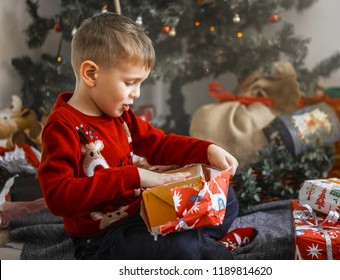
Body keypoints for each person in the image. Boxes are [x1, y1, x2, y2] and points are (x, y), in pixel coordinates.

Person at [38, 12, 244, 260]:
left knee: (227, 198)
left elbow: (159, 143)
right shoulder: (62, 126)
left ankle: (191, 240)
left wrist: (207, 150)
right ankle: (195, 243)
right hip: (103, 239)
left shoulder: (121, 114)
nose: (136, 94)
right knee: (182, 250)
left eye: (140, 83)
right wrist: (135, 176)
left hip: (141, 213)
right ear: (91, 74)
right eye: (129, 83)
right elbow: (58, 198)